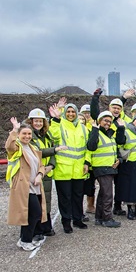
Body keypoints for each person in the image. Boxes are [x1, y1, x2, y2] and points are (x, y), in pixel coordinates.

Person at [6, 119, 48, 251]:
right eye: (24, 133)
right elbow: (9, 147)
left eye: (29, 134)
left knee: (31, 214)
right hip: (24, 187)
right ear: (19, 135)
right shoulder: (17, 148)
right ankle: (26, 240)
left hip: (34, 186)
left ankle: (23, 239)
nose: (27, 136)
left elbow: (41, 165)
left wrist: (40, 175)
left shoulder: (32, 148)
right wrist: (14, 130)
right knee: (35, 213)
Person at [25, 108, 67, 236]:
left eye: (40, 121)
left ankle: (45, 226)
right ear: (30, 121)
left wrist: (51, 165)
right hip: (34, 173)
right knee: (35, 202)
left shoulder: (46, 135)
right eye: (35, 121)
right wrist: (54, 150)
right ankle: (36, 230)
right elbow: (36, 153)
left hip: (46, 172)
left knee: (46, 200)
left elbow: (52, 152)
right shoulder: (28, 136)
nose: (38, 123)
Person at [48, 103, 89, 233]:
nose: (70, 114)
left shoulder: (83, 128)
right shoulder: (59, 124)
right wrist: (55, 119)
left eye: (73, 112)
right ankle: (66, 221)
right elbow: (53, 135)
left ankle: (77, 219)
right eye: (68, 112)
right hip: (63, 169)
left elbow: (87, 147)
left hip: (79, 169)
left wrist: (87, 162)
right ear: (64, 113)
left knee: (78, 196)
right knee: (65, 197)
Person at [87, 111, 125, 227]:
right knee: (108, 194)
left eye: (109, 121)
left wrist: (119, 159)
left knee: (103, 194)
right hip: (101, 167)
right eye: (105, 120)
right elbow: (91, 146)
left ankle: (99, 217)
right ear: (99, 121)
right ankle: (107, 218)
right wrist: (94, 130)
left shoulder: (110, 135)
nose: (108, 123)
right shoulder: (97, 133)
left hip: (109, 167)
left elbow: (115, 150)